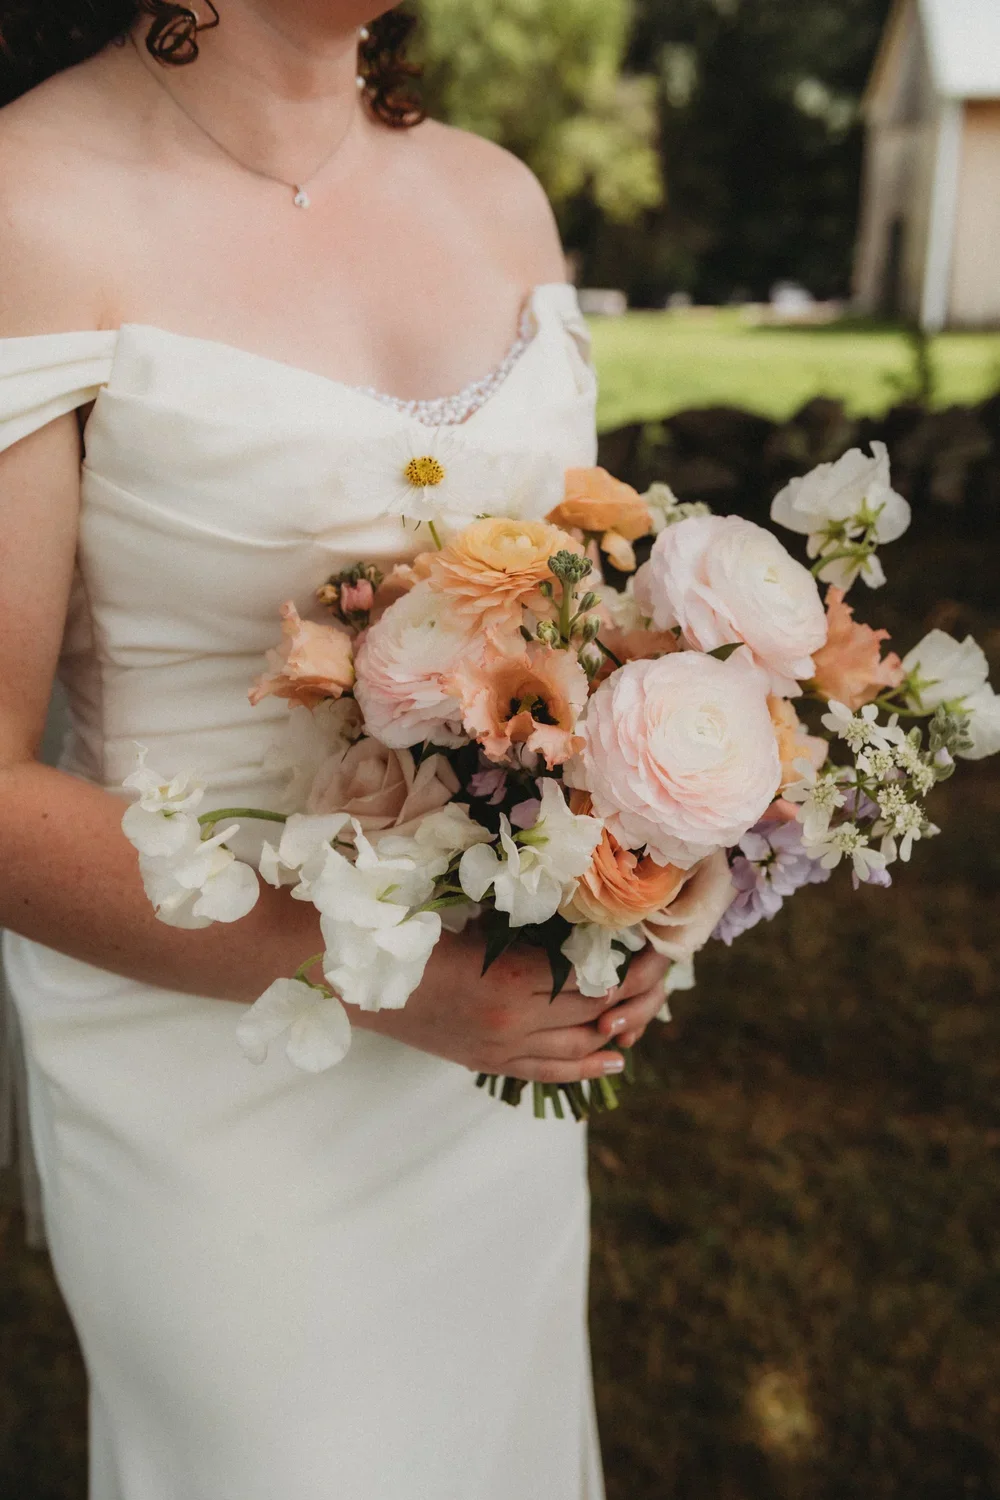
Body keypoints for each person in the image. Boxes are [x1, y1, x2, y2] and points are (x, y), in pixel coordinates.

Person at [0, 5, 670, 1496]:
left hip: (492, 1081)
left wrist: (648, 860)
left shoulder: (498, 196)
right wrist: (403, 980)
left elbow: (583, 616)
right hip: (215, 1079)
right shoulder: (28, 200)